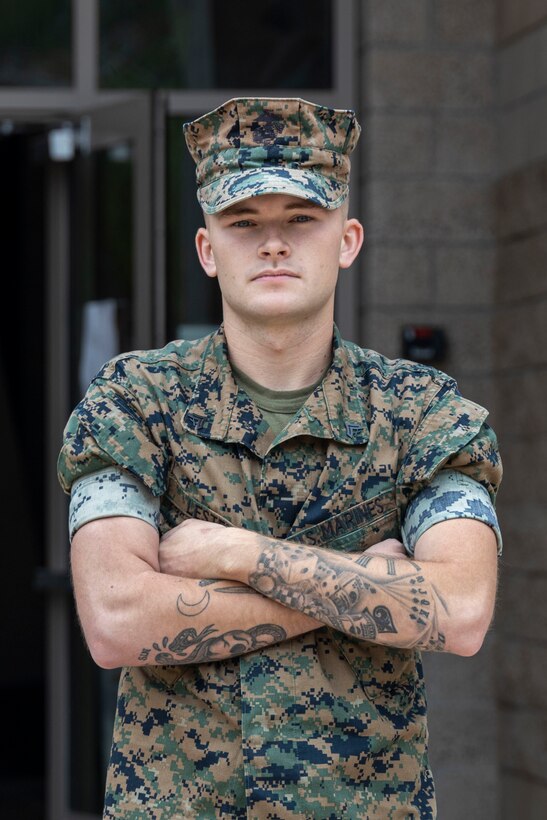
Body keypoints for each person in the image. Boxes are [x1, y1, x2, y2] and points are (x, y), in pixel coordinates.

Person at [58, 97, 502, 819]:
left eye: (300, 220)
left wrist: (236, 553)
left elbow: (459, 609)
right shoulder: (136, 403)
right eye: (243, 223)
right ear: (207, 249)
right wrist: (366, 589)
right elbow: (114, 620)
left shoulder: (421, 413)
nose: (272, 244)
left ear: (347, 240)